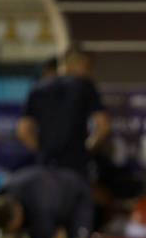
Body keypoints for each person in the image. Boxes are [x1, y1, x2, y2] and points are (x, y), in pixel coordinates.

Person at [16, 46, 109, 178]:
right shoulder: (85, 85)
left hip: (46, 163)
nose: (89, 72)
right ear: (76, 62)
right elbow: (103, 127)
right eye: (88, 66)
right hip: (75, 164)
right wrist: (87, 150)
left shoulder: (38, 88)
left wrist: (43, 150)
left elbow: (23, 130)